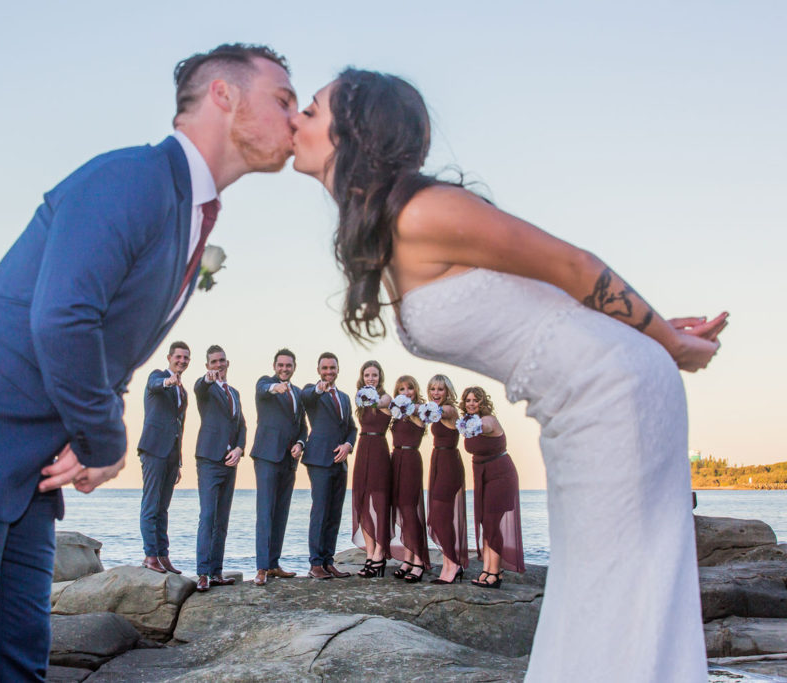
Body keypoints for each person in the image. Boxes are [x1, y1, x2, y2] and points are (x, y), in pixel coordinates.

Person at [0, 43, 296, 681]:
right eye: (283, 100)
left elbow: (99, 339)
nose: (295, 119)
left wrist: (81, 431)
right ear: (223, 96)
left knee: (16, 660)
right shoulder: (131, 178)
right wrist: (104, 438)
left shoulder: (191, 212)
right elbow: (62, 317)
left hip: (29, 464)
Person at [289, 67, 727, 680]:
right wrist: (652, 327)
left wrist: (668, 341)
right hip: (577, 402)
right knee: (594, 586)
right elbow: (539, 298)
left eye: (309, 109)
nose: (294, 119)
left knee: (612, 588)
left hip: (612, 393)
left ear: (354, 133)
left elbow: (571, 264)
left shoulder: (423, 212)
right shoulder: (385, 225)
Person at [250, 348, 308, 586]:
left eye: (289, 365)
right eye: (281, 365)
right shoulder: (265, 384)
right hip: (266, 457)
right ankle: (262, 568)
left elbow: (302, 425)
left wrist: (301, 443)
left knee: (281, 513)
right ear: (275, 366)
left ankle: (273, 564)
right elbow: (263, 388)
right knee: (265, 512)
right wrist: (275, 388)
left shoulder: (298, 393)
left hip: (289, 461)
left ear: (294, 367)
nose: (284, 369)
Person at [192, 344, 247, 591]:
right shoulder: (205, 388)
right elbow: (199, 386)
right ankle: (202, 573)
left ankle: (216, 572)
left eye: (221, 361)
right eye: (213, 362)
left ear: (228, 363)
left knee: (222, 519)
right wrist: (207, 379)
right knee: (208, 516)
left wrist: (239, 449)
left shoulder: (234, 392)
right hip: (208, 460)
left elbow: (242, 426)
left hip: (230, 462)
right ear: (207, 366)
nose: (218, 365)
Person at [458, 386, 524, 587]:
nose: (471, 404)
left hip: (500, 475)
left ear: (482, 402)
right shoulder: (469, 422)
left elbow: (484, 427)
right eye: (468, 400)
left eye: (475, 400)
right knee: (485, 521)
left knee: (493, 522)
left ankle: (495, 573)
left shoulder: (487, 421)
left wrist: (472, 425)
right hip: (482, 475)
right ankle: (487, 569)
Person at [301, 352, 358, 579]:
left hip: (340, 462)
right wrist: (318, 389)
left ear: (337, 369)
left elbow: (352, 428)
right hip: (319, 460)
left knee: (334, 513)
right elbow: (307, 397)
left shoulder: (344, 397)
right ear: (318, 370)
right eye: (324, 368)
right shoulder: (312, 392)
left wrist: (348, 445)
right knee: (320, 511)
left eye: (332, 368)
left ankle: (328, 561)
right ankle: (315, 563)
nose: (328, 372)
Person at [137, 342, 191, 574]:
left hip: (171, 454)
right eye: (178, 357)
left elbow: (180, 426)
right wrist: (167, 381)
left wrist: (178, 461)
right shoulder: (158, 377)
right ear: (169, 357)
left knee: (163, 508)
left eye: (186, 358)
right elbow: (155, 385)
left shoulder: (183, 391)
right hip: (154, 450)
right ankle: (150, 556)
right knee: (151, 505)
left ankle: (163, 555)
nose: (182, 361)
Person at [351, 360, 394, 578]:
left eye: (374, 375)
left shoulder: (385, 397)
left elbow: (380, 402)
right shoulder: (360, 400)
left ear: (380, 377)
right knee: (363, 503)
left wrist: (369, 394)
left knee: (379, 503)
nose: (371, 379)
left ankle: (379, 553)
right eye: (367, 375)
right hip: (362, 449)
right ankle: (369, 554)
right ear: (362, 376)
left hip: (378, 449)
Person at [387, 375, 430, 583]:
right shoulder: (397, 412)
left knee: (410, 510)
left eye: (409, 388)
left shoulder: (419, 409)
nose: (406, 392)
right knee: (401, 511)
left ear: (415, 390)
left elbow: (419, 420)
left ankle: (419, 560)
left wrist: (404, 405)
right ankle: (408, 557)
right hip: (396, 458)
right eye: (401, 389)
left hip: (411, 459)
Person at [425, 374, 467, 585]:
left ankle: (453, 564)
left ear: (448, 391)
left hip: (449, 464)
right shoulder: (434, 408)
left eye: (440, 389)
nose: (435, 393)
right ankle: (451, 563)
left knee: (441, 516)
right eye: (432, 389)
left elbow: (438, 413)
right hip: (438, 461)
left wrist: (409, 407)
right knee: (437, 517)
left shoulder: (449, 409)